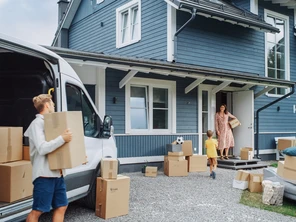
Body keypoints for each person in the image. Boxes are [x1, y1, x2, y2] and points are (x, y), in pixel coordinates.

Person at [24, 94, 72, 222]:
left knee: (62, 206)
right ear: (47, 105)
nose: (54, 106)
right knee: (38, 210)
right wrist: (62, 138)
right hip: (44, 176)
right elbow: (43, 148)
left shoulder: (52, 124)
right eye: (52, 104)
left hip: (57, 174)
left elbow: (60, 147)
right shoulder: (37, 124)